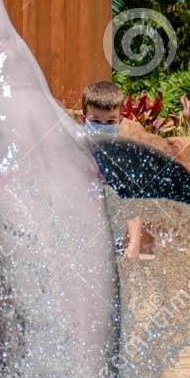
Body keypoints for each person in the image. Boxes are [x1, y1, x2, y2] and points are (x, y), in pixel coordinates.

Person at [80, 80, 143, 259]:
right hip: (77, 239)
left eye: (110, 121)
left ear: (120, 120)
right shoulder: (76, 154)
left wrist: (134, 244)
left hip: (112, 243)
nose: (103, 126)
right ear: (83, 119)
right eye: (96, 121)